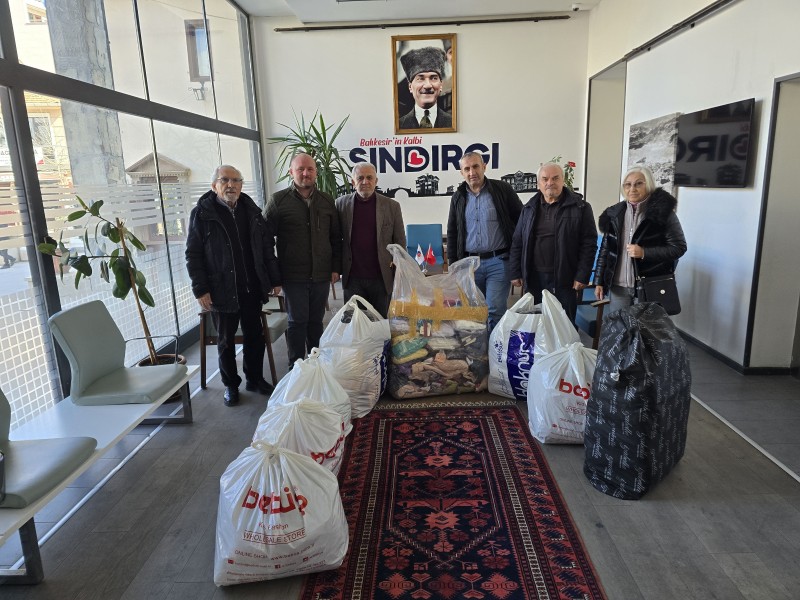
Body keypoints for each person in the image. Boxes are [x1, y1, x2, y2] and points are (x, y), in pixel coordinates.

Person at [185, 165, 280, 407]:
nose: (231, 185)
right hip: (222, 289)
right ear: (214, 185)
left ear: (241, 185)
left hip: (251, 287)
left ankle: (254, 379)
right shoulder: (202, 214)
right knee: (226, 341)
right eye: (225, 180)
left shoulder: (251, 210)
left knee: (255, 337)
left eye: (236, 180)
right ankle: (231, 385)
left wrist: (274, 279)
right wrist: (200, 289)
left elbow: (266, 248)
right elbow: (193, 254)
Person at [264, 153, 342, 365]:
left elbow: (336, 237)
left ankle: (316, 366)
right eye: (300, 169)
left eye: (310, 169)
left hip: (321, 274)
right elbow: (264, 239)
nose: (305, 173)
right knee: (297, 322)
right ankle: (296, 369)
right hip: (292, 276)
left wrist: (335, 267)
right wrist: (274, 275)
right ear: (291, 172)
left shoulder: (327, 201)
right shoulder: (278, 201)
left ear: (316, 172)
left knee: (316, 322)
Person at [509, 162, 597, 324]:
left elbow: (589, 244)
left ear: (563, 180)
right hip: (534, 278)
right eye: (545, 179)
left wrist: (582, 275)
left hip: (565, 279)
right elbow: (517, 242)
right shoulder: (528, 208)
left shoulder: (581, 208)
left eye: (555, 178)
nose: (550, 183)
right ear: (539, 183)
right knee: (535, 324)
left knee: (564, 325)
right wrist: (515, 271)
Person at [593, 166, 687, 314]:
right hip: (618, 288)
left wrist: (644, 252)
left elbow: (679, 247)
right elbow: (605, 250)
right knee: (620, 327)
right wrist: (599, 281)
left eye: (638, 184)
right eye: (628, 184)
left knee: (646, 328)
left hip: (649, 286)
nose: (632, 189)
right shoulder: (614, 214)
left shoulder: (663, 213)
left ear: (648, 185)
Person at [447, 151, 523, 332]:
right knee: (475, 312)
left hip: (499, 262)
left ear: (484, 167)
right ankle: (479, 347)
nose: (472, 172)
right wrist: (453, 266)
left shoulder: (502, 190)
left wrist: (517, 261)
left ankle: (495, 348)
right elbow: (452, 232)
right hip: (470, 265)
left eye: (475, 166)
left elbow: (521, 222)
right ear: (462, 173)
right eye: (467, 169)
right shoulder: (458, 197)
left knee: (495, 310)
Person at [335, 162, 406, 318]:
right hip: (352, 278)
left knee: (380, 322)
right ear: (353, 182)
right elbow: (335, 239)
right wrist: (335, 269)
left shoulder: (392, 206)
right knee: (354, 323)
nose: (365, 182)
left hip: (381, 277)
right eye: (360, 178)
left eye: (369, 177)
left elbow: (400, 243)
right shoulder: (340, 205)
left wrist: (399, 272)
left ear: (376, 181)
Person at [398, 47, 452, 130]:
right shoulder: (399, 125)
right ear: (410, 87)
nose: (427, 85)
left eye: (433, 78)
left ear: (441, 85)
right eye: (420, 78)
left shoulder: (452, 122)